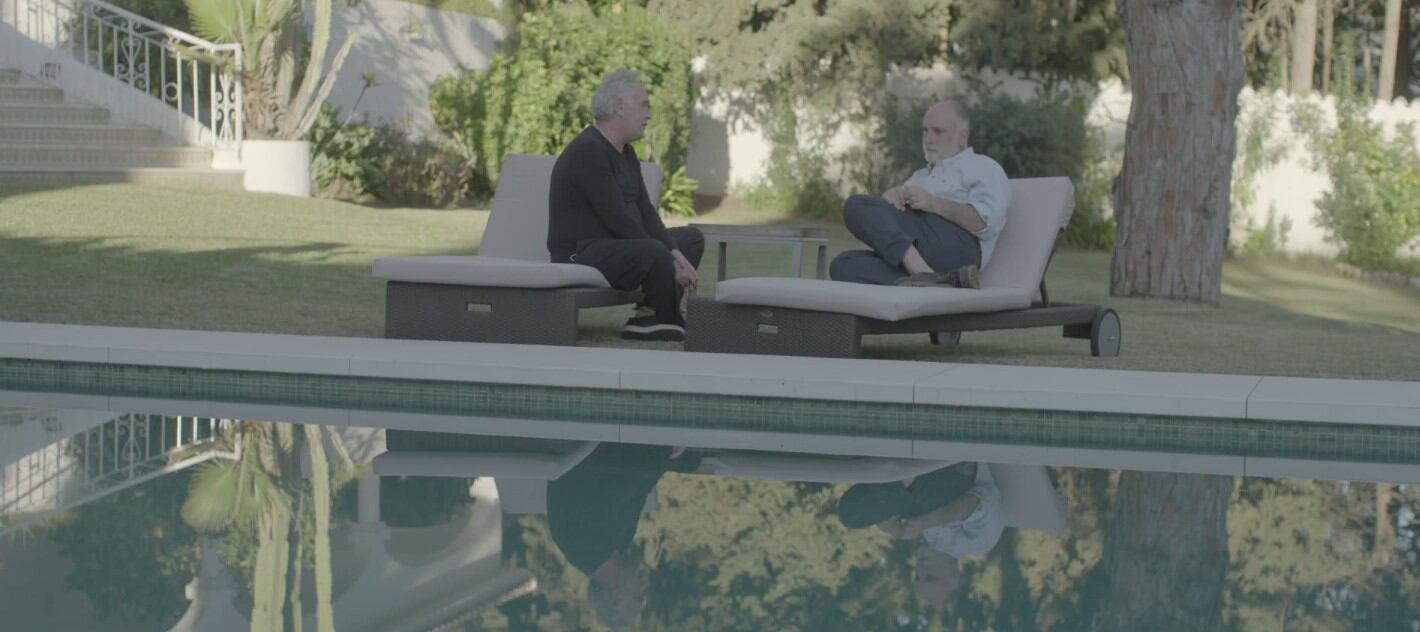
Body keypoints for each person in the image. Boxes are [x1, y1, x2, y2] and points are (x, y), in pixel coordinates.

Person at [547, 69, 704, 341]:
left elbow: (644, 211)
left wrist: (676, 254)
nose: (649, 115)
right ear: (620, 107)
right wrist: (666, 255)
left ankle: (652, 314)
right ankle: (662, 317)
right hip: (581, 252)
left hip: (616, 246)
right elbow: (618, 218)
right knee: (655, 250)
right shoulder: (588, 150)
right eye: (644, 105)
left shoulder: (626, 152)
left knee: (690, 239)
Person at [829, 99, 1011, 288]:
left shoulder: (983, 167)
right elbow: (893, 223)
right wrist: (891, 200)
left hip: (960, 249)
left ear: (962, 137)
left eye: (938, 131)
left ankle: (922, 274)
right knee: (843, 265)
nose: (928, 139)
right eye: (925, 130)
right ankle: (937, 284)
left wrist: (934, 203)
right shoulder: (921, 176)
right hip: (925, 252)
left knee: (856, 204)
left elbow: (984, 222)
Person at [546, 442, 696, 629]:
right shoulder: (618, 545)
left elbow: (620, 481)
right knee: (691, 460)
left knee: (691, 456)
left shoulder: (580, 543)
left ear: (616, 595)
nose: (644, 587)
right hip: (619, 449)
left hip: (600, 442)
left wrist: (663, 454)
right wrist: (665, 456)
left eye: (638, 597)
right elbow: (639, 489)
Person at [837, 462, 1005, 610]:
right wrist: (924, 522)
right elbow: (975, 502)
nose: (920, 569)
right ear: (955, 571)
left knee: (851, 517)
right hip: (957, 476)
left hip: (917, 491)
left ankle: (898, 475)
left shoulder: (924, 538)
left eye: (917, 576)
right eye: (930, 577)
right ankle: (901, 476)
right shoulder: (980, 543)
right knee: (919, 501)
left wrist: (888, 524)